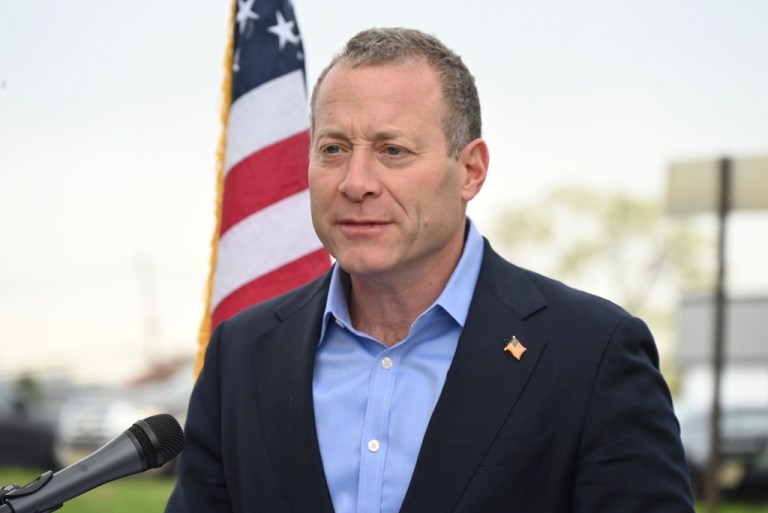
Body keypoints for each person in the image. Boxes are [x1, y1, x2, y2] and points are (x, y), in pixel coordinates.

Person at [166, 28, 694, 512]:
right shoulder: (242, 353)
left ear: (471, 170)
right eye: (333, 149)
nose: (356, 182)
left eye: (392, 150)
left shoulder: (591, 351)